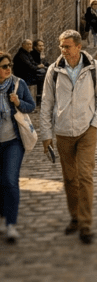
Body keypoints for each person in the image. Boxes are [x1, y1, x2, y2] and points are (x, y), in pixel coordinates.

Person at [39, 30, 97, 244]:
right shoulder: (54, 70)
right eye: (62, 46)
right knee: (70, 178)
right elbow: (46, 103)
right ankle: (75, 217)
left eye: (67, 46)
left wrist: (94, 123)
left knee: (84, 176)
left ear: (79, 47)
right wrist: (46, 134)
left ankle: (86, 224)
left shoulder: (94, 68)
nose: (64, 50)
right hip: (62, 132)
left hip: (86, 130)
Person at [0, 50, 37, 242]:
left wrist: (18, 102)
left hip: (13, 141)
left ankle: (11, 224)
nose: (8, 69)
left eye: (9, 66)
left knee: (10, 180)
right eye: (4, 66)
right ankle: (2, 216)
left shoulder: (17, 84)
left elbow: (31, 106)